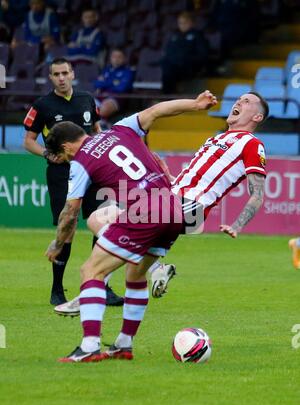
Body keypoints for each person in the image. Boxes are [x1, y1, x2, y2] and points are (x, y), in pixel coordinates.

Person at [55, 91, 269, 318]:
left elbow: (258, 193)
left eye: (246, 102)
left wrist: (238, 224)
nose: (238, 102)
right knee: (107, 224)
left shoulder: (252, 144)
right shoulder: (215, 139)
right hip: (172, 198)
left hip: (191, 207)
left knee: (104, 219)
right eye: (239, 98)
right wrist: (169, 177)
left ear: (257, 117)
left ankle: (93, 292)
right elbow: (194, 179)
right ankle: (124, 313)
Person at [44, 90, 218, 362]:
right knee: (135, 276)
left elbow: (69, 212)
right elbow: (157, 111)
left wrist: (57, 244)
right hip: (174, 208)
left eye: (62, 156)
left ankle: (89, 346)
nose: (65, 161)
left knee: (91, 270)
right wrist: (195, 105)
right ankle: (123, 345)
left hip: (145, 211)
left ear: (66, 147)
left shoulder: (80, 162)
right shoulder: (121, 128)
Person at [23, 57, 123, 307]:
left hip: (93, 172)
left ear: (72, 73)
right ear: (50, 77)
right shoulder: (42, 105)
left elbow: (98, 131)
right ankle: (57, 289)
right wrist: (47, 154)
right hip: (61, 175)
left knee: (103, 222)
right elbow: (28, 140)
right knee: (66, 231)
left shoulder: (87, 99)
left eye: (64, 73)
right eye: (56, 74)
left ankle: (102, 285)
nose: (61, 78)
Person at [161, 11, 208, 94]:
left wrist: (187, 59)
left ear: (191, 23)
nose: (182, 25)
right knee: (166, 66)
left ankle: (168, 96)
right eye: (180, 23)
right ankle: (166, 96)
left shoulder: (198, 36)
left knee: (170, 70)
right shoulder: (175, 36)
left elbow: (202, 55)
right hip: (174, 66)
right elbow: (168, 52)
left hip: (189, 66)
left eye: (185, 23)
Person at [94, 48, 134, 124]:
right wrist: (113, 82)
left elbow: (121, 88)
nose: (116, 59)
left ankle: (103, 124)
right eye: (114, 56)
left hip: (117, 98)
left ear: (124, 59)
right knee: (85, 106)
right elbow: (96, 84)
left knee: (104, 109)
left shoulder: (128, 72)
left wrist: (105, 83)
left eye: (119, 57)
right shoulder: (106, 70)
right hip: (101, 96)